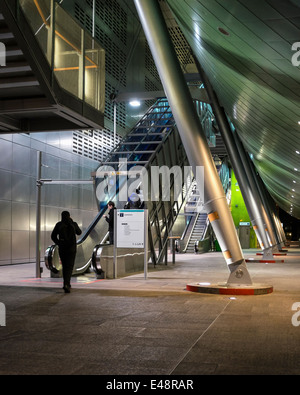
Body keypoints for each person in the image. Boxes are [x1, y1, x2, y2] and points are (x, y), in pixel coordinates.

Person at [51, 211, 82, 293]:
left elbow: (53, 236)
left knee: (65, 266)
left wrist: (59, 243)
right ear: (69, 216)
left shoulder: (59, 224)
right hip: (71, 249)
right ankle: (67, 284)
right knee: (69, 266)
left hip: (63, 248)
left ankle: (66, 284)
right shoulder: (73, 224)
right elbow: (79, 232)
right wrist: (73, 223)